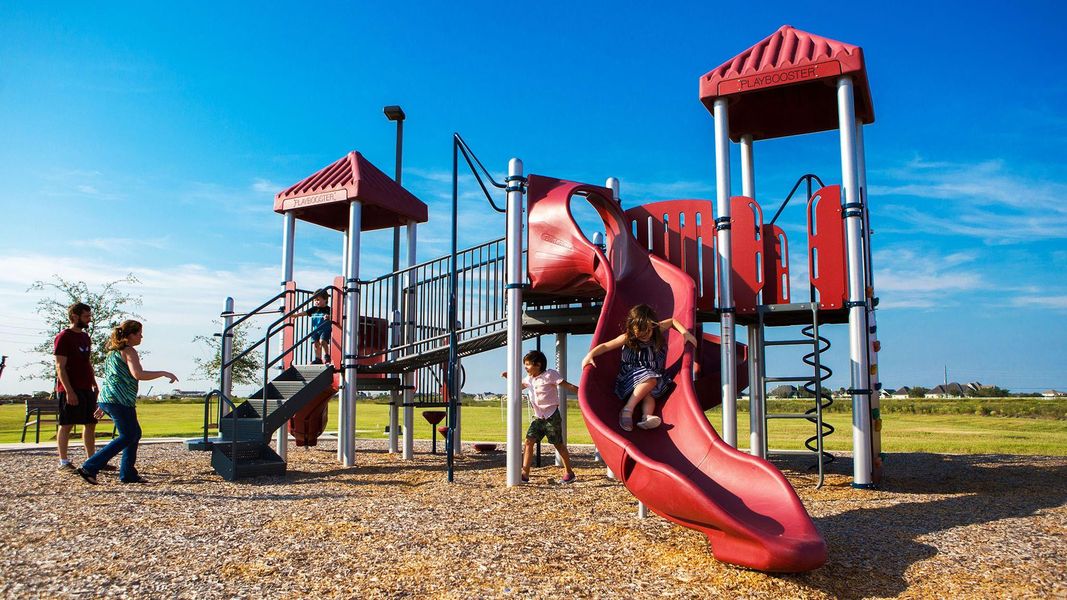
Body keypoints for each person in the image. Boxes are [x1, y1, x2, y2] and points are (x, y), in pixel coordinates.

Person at [76, 320, 177, 485]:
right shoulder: (129, 351)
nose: (141, 336)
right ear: (130, 335)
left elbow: (111, 379)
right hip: (119, 400)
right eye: (138, 333)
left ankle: (128, 473)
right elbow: (138, 374)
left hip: (111, 399)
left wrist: (102, 404)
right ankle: (90, 466)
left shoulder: (112, 353)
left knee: (134, 434)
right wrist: (163, 373)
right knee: (128, 435)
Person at [581, 304, 697, 432]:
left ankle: (646, 417)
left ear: (652, 325)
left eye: (647, 331)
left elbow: (672, 321)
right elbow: (606, 346)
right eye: (639, 334)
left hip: (651, 377)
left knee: (649, 394)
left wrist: (685, 333)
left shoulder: (657, 329)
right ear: (632, 329)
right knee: (650, 380)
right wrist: (590, 355)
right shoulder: (627, 338)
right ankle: (627, 410)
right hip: (631, 376)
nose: (644, 335)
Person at [501, 350, 580, 484]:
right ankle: (525, 473)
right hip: (538, 417)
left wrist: (582, 392)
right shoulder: (528, 379)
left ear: (538, 364)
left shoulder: (550, 374)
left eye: (527, 364)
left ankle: (569, 472)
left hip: (551, 416)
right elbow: (517, 387)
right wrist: (510, 378)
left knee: (558, 444)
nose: (525, 367)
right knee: (528, 441)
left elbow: (566, 385)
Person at [54, 302, 98, 472]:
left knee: (90, 423)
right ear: (75, 317)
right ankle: (63, 462)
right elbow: (60, 366)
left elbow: (87, 362)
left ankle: (92, 460)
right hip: (70, 388)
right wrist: (69, 391)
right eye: (86, 316)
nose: (89, 319)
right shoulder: (63, 337)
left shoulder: (86, 337)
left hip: (86, 387)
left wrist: (94, 382)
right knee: (66, 424)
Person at [298, 291, 332, 364]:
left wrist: (329, 317)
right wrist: (296, 315)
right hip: (315, 329)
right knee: (316, 344)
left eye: (318, 300)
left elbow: (334, 316)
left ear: (325, 300)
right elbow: (305, 313)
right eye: (315, 300)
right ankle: (318, 358)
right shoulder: (314, 309)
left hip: (325, 329)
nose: (316, 302)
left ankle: (326, 355)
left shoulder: (328, 309)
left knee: (322, 341)